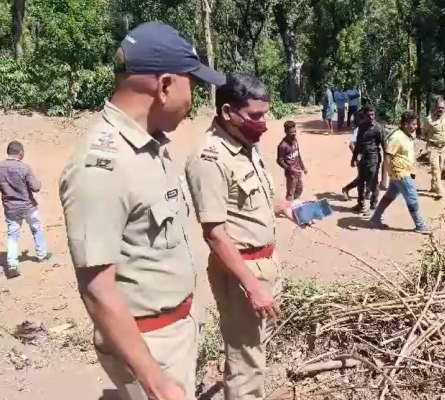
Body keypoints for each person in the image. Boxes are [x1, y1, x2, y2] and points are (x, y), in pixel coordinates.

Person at [59, 22, 225, 400]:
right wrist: (156, 381)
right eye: (193, 87)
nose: (194, 100)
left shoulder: (151, 144)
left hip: (172, 332)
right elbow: (99, 289)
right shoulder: (102, 165)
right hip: (149, 346)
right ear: (165, 85)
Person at [185, 73, 289, 400]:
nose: (264, 123)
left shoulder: (245, 146)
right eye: (256, 116)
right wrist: (253, 286)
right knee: (245, 359)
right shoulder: (209, 158)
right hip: (241, 272)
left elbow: (249, 201)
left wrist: (285, 207)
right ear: (229, 112)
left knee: (255, 350)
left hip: (263, 264)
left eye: (266, 114)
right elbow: (214, 233)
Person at [0, 140, 51, 278]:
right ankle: (42, 255)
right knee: (36, 228)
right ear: (21, 153)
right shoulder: (25, 168)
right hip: (28, 206)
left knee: (13, 236)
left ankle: (12, 264)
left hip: (10, 208)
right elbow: (36, 187)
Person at [370, 110, 430, 234]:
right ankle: (420, 225)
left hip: (402, 172)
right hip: (400, 173)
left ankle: (375, 218)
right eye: (413, 124)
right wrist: (384, 178)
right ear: (405, 124)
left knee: (389, 196)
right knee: (412, 197)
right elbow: (387, 156)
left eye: (416, 124)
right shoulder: (396, 136)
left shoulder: (406, 135)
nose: (415, 126)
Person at [350, 106, 386, 214]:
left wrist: (387, 161)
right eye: (369, 115)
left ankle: (373, 204)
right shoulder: (361, 127)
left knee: (373, 182)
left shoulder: (378, 128)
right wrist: (353, 158)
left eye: (373, 115)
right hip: (362, 158)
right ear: (364, 116)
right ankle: (360, 204)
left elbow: (384, 145)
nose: (371, 117)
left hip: (374, 158)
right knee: (361, 182)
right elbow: (357, 145)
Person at [422, 96, 445, 198]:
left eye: (442, 108)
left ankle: (434, 185)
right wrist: (429, 142)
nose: (440, 109)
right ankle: (439, 190)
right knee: (435, 168)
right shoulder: (429, 119)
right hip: (432, 147)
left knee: (441, 168)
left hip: (443, 148)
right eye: (439, 107)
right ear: (435, 107)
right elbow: (424, 132)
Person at [277, 120, 307, 201]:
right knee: (290, 192)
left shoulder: (295, 140)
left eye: (295, 132)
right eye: (291, 132)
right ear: (286, 132)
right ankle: (289, 208)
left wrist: (303, 167)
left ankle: (294, 204)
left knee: (300, 189)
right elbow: (279, 160)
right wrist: (289, 168)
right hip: (291, 174)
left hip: (298, 171)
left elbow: (298, 154)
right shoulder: (282, 146)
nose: (294, 134)